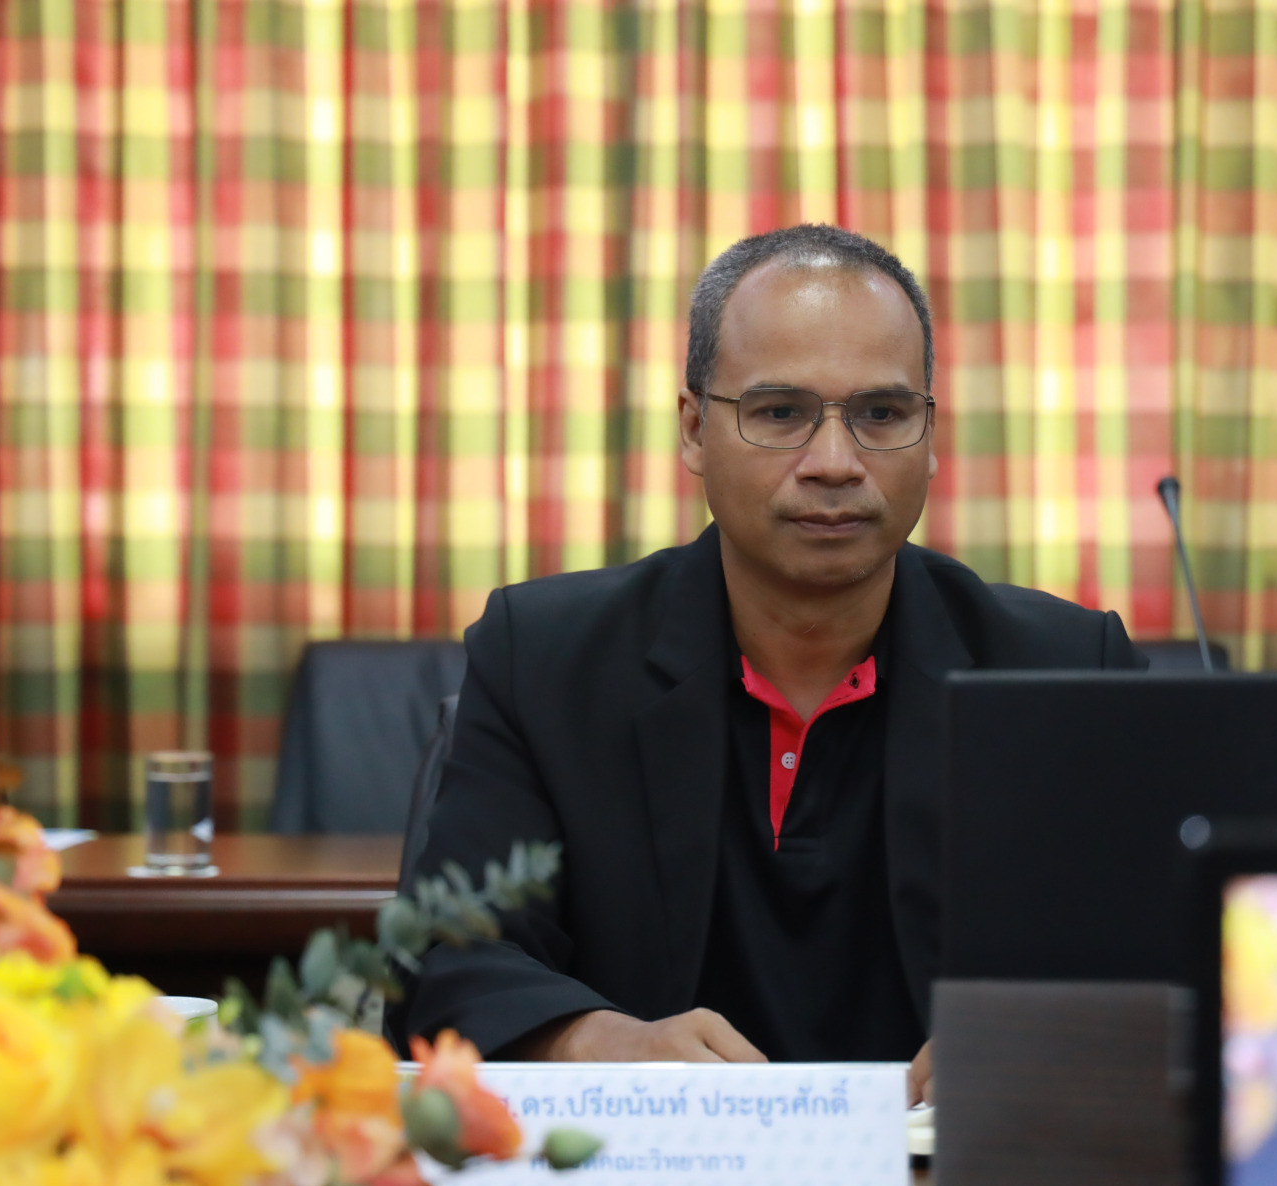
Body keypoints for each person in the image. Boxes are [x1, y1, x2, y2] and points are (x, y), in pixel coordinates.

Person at [392, 224, 1144, 1103]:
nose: (835, 464)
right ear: (693, 430)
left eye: (882, 414)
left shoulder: (1065, 670)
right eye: (781, 413)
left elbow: (1174, 954)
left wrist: (1054, 1032)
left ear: (931, 434)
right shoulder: (546, 659)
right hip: (657, 1159)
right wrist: (594, 1041)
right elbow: (448, 956)